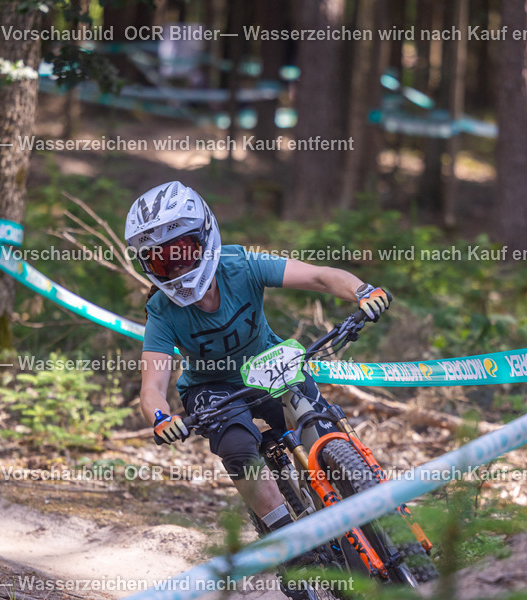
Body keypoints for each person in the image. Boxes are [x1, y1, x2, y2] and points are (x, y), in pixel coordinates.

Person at [129, 180, 391, 538]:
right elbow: (153, 386)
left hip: (271, 365)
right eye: (161, 260)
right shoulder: (161, 311)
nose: (175, 268)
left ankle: (368, 508)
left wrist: (362, 290)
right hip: (212, 389)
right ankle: (287, 542)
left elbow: (319, 276)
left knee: (318, 423)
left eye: (183, 252)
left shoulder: (240, 264)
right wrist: (160, 417)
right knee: (238, 447)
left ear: (205, 237)